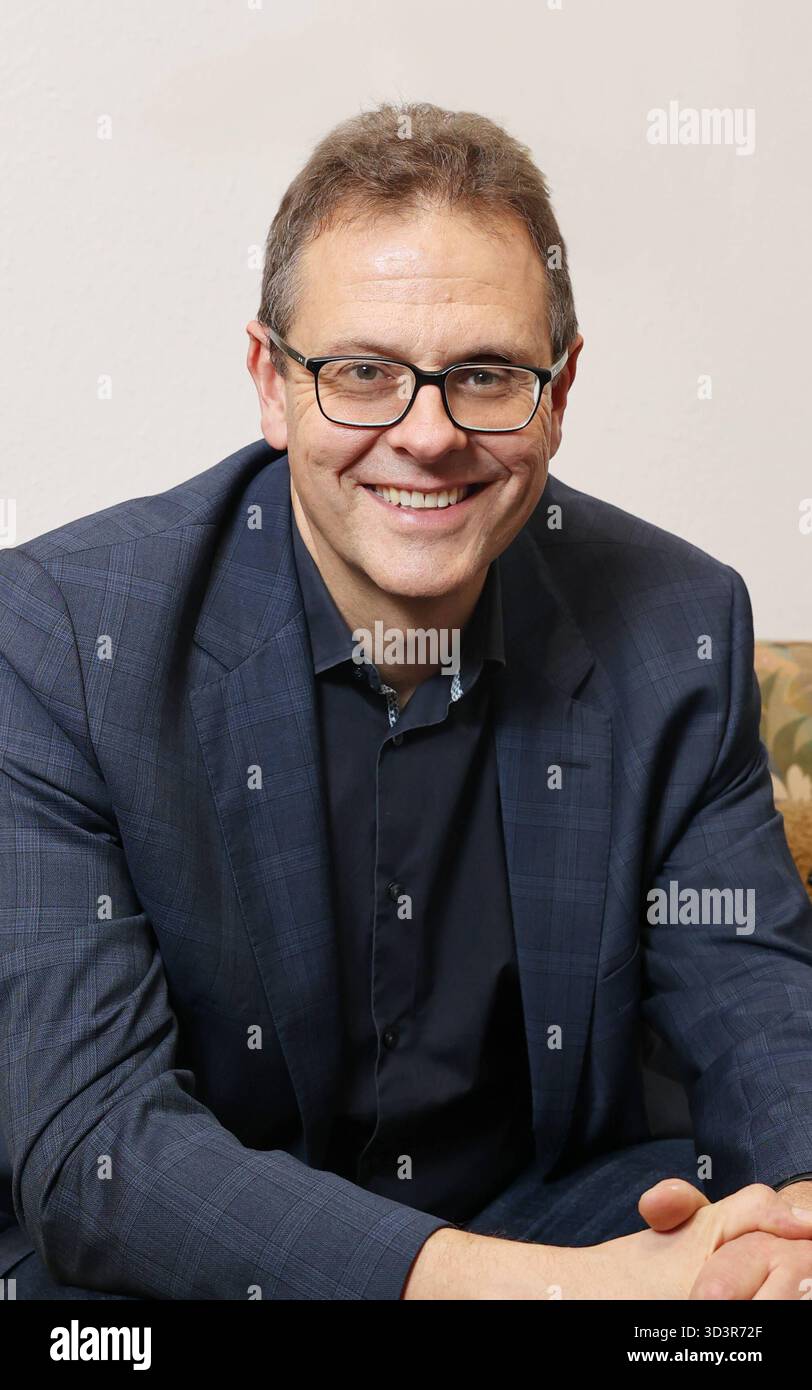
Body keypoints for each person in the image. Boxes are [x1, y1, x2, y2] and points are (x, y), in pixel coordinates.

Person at [1, 101, 812, 1302]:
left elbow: (759, 1022)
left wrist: (791, 1229)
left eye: (485, 374)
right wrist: (553, 1297)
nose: (424, 436)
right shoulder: (60, 636)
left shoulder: (675, 626)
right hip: (184, 1262)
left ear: (559, 389)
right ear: (269, 386)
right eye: (361, 372)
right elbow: (95, 1146)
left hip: (551, 1217)